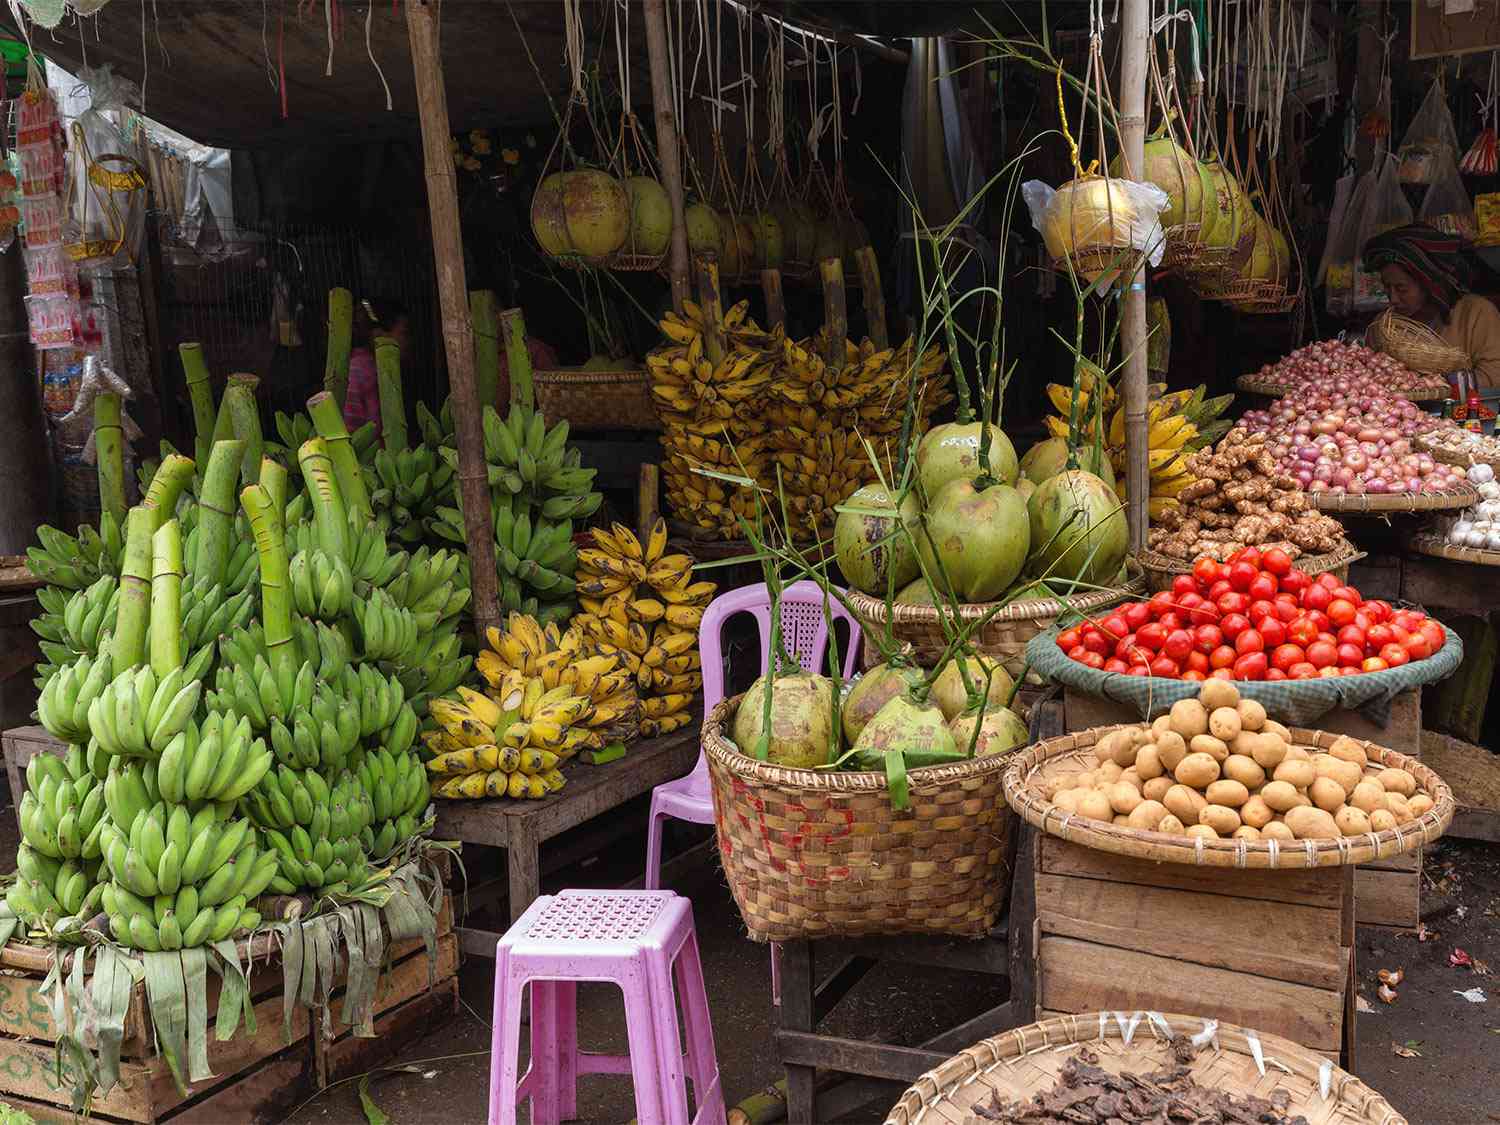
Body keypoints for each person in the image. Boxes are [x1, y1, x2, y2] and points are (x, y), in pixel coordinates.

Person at [1364, 223, 1500, 388]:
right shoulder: (1381, 327)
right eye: (1387, 287)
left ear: (1429, 284)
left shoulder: (1477, 313)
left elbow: (1494, 374)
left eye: (1402, 289)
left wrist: (1437, 383)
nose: (1393, 299)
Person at [342, 297, 411, 439]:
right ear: (379, 335)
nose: (408, 341)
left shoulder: (384, 371)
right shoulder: (359, 370)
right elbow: (350, 428)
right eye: (404, 333)